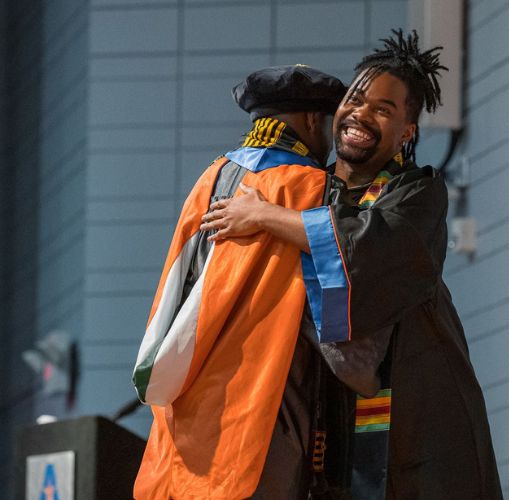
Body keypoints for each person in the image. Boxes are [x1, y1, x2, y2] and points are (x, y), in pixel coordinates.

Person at [201, 30, 503, 499]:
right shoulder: (306, 188)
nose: (362, 114)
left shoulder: (418, 192)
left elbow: (367, 251)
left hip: (416, 410)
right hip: (328, 416)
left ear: (407, 132)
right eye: (356, 99)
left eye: (384, 109)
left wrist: (263, 214)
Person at [130, 64, 346, 499]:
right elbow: (339, 305)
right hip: (264, 406)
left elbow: (169, 300)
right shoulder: (314, 187)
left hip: (189, 405)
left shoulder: (209, 180)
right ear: (310, 122)